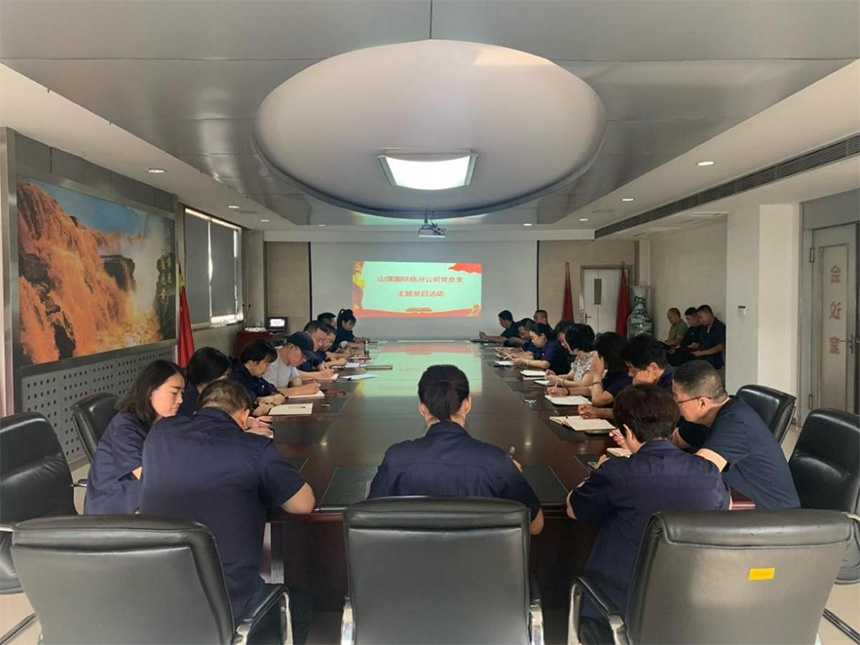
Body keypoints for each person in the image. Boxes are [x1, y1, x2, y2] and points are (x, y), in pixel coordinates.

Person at [139, 380, 315, 641]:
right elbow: (302, 505)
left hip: (158, 586)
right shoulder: (254, 448)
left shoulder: (160, 434)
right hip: (229, 597)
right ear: (244, 415)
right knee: (301, 605)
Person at [567, 385, 729, 625]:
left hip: (621, 609)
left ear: (627, 432)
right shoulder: (707, 471)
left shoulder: (617, 473)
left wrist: (594, 475)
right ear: (673, 426)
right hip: (692, 607)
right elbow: (725, 507)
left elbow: (573, 509)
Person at [368, 365, 544, 535]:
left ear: (422, 407)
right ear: (467, 404)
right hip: (480, 556)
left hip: (411, 555)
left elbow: (369, 521)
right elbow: (536, 526)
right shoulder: (496, 461)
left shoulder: (397, 459)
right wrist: (512, 474)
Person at [671, 361, 800, 509]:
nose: (674, 403)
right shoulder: (705, 416)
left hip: (770, 514)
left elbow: (697, 474)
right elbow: (675, 439)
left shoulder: (736, 423)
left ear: (702, 403)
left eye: (677, 398)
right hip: (736, 501)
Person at [84, 359, 184, 514]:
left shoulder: (158, 421)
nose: (180, 400)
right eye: (174, 393)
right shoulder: (125, 428)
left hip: (136, 496)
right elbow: (148, 478)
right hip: (114, 508)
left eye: (182, 392)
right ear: (151, 391)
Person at [578, 332, 632, 420]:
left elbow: (598, 400)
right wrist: (565, 391)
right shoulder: (613, 373)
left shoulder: (626, 377)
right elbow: (591, 389)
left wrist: (597, 374)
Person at [229, 339, 285, 413]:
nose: (268, 369)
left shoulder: (256, 377)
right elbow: (256, 409)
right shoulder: (236, 380)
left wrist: (273, 399)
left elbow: (279, 394)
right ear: (253, 362)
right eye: (267, 365)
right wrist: (271, 404)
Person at [264, 333, 323, 397]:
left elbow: (295, 378)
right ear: (291, 348)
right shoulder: (270, 361)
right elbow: (269, 392)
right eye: (303, 356)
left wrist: (303, 386)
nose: (304, 360)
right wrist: (302, 390)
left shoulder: (290, 360)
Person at [177, 347, 231, 416]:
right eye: (223, 375)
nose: (226, 379)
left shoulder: (210, 392)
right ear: (209, 375)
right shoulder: (186, 399)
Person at [547, 324, 596, 396]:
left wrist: (559, 381)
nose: (563, 345)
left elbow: (583, 385)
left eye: (565, 341)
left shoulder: (594, 359)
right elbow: (570, 376)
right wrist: (555, 376)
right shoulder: (579, 357)